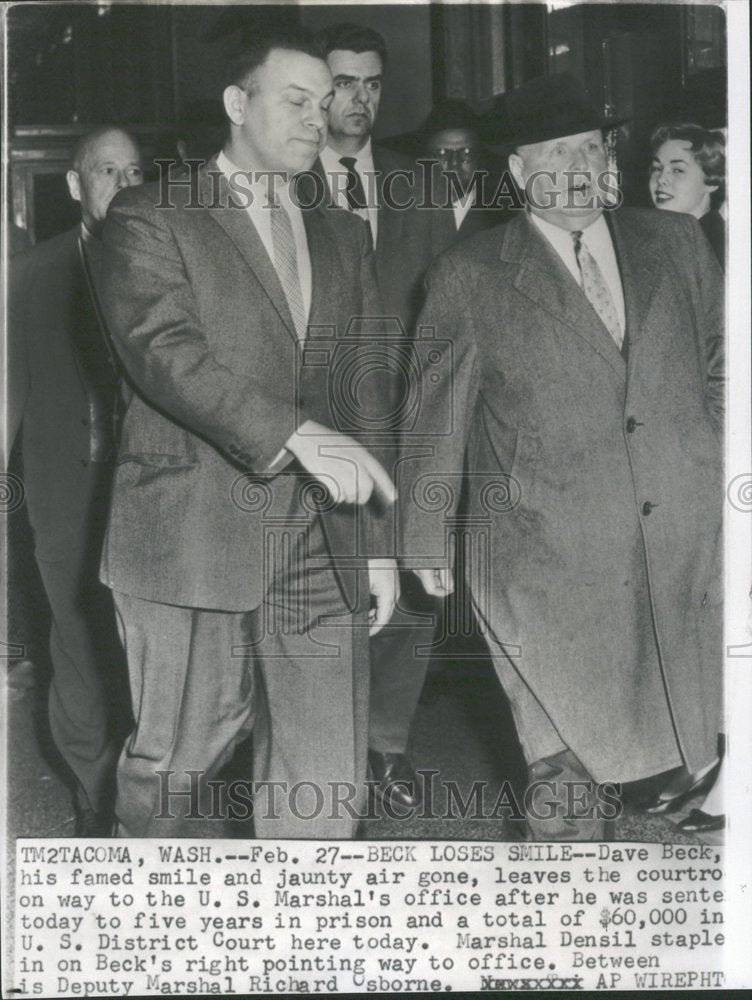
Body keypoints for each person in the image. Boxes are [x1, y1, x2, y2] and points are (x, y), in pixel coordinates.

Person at [398, 73, 724, 841]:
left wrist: (715, 459)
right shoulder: (469, 276)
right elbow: (434, 414)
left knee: (666, 729)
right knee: (563, 767)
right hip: (543, 555)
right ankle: (566, 927)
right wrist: (422, 533)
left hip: (680, 539)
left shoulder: (673, 244)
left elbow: (721, 360)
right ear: (516, 174)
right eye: (553, 155)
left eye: (588, 148)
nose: (576, 169)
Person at [96, 27, 398, 839]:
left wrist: (377, 540)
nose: (318, 118)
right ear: (237, 104)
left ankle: (298, 943)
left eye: (326, 101)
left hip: (320, 534)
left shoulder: (339, 229)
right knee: (177, 764)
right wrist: (298, 435)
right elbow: (165, 353)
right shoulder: (151, 213)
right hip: (189, 530)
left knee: (325, 773)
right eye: (296, 100)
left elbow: (362, 381)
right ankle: (127, 915)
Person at [315, 22, 455, 811]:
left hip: (410, 424)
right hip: (322, 427)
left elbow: (450, 311)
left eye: (371, 83)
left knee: (413, 587)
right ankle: (326, 748)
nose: (359, 99)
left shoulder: (422, 185)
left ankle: (387, 749)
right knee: (328, 589)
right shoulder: (285, 185)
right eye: (343, 82)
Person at [7, 126, 143, 835]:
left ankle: (149, 792)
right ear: (73, 184)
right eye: (104, 169)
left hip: (154, 493)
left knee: (152, 647)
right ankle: (95, 794)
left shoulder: (173, 266)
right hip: (65, 493)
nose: (121, 182)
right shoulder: (27, 275)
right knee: (78, 640)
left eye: (133, 169)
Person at [421, 98, 506, 240]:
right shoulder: (405, 216)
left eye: (466, 152)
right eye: (442, 153)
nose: (454, 163)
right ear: (425, 159)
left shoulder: (504, 217)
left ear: (480, 158)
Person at [649, 122, 726, 269]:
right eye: (657, 168)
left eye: (677, 170)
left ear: (712, 180)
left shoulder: (719, 248)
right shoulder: (668, 238)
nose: (661, 179)